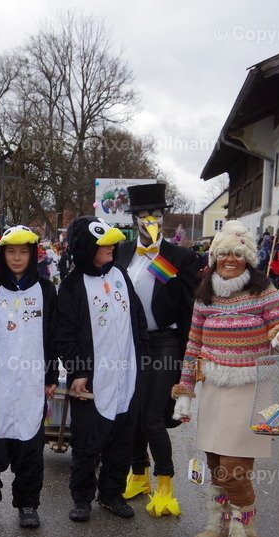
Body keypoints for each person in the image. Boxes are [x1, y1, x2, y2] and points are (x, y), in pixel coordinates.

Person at [172, 221, 279, 537]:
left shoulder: (265, 292)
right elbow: (193, 345)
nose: (230, 259)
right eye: (223, 253)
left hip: (249, 388)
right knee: (215, 465)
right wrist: (185, 391)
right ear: (214, 257)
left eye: (237, 254)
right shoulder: (205, 295)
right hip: (213, 386)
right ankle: (221, 525)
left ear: (248, 258)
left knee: (234, 470)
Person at [114, 182, 201, 517]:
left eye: (156, 214)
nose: (150, 219)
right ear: (134, 218)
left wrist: (188, 360)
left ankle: (165, 485)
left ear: (163, 217)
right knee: (132, 415)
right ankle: (139, 475)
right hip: (130, 344)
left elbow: (189, 309)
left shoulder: (180, 257)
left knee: (152, 418)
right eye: (143, 214)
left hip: (165, 341)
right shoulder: (122, 252)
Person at [55, 216, 148, 522]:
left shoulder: (120, 272)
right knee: (86, 441)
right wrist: (78, 370)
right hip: (92, 378)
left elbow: (136, 315)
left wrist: (143, 356)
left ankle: (111, 493)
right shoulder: (71, 286)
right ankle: (81, 497)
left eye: (112, 241)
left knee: (122, 439)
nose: (112, 246)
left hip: (127, 374)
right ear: (86, 247)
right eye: (104, 242)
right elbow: (64, 334)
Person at [0, 225, 57, 528]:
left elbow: (51, 338)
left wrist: (51, 376)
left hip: (32, 383)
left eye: (23, 252)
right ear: (2, 254)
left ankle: (28, 503)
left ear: (32, 255)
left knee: (30, 448)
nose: (17, 258)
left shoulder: (46, 290)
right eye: (11, 251)